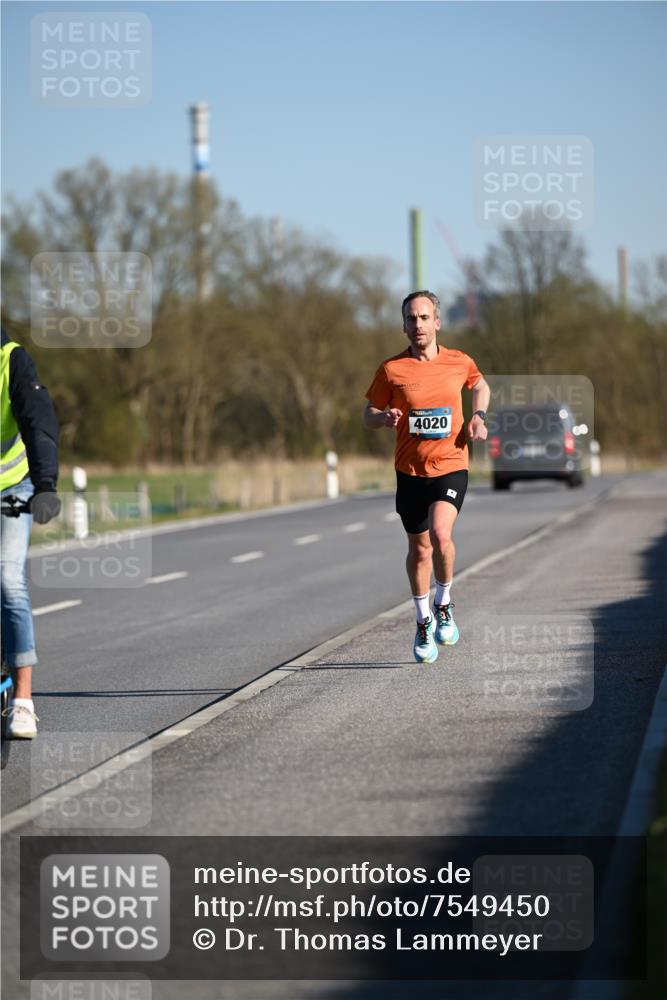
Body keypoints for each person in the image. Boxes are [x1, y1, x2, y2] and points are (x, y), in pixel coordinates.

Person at [363, 291, 490, 663]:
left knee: (440, 533)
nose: (417, 324)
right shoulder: (391, 370)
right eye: (410, 319)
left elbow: (480, 386)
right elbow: (367, 413)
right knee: (419, 549)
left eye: (424, 317)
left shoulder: (458, 361)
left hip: (451, 463)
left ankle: (444, 600)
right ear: (403, 326)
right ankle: (422, 621)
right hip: (409, 472)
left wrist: (478, 416)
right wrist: (382, 418)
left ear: (436, 321)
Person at [1, 326, 61, 737]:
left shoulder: (11, 359)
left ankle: (23, 700)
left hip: (13, 485)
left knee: (7, 579)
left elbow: (38, 422)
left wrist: (45, 486)